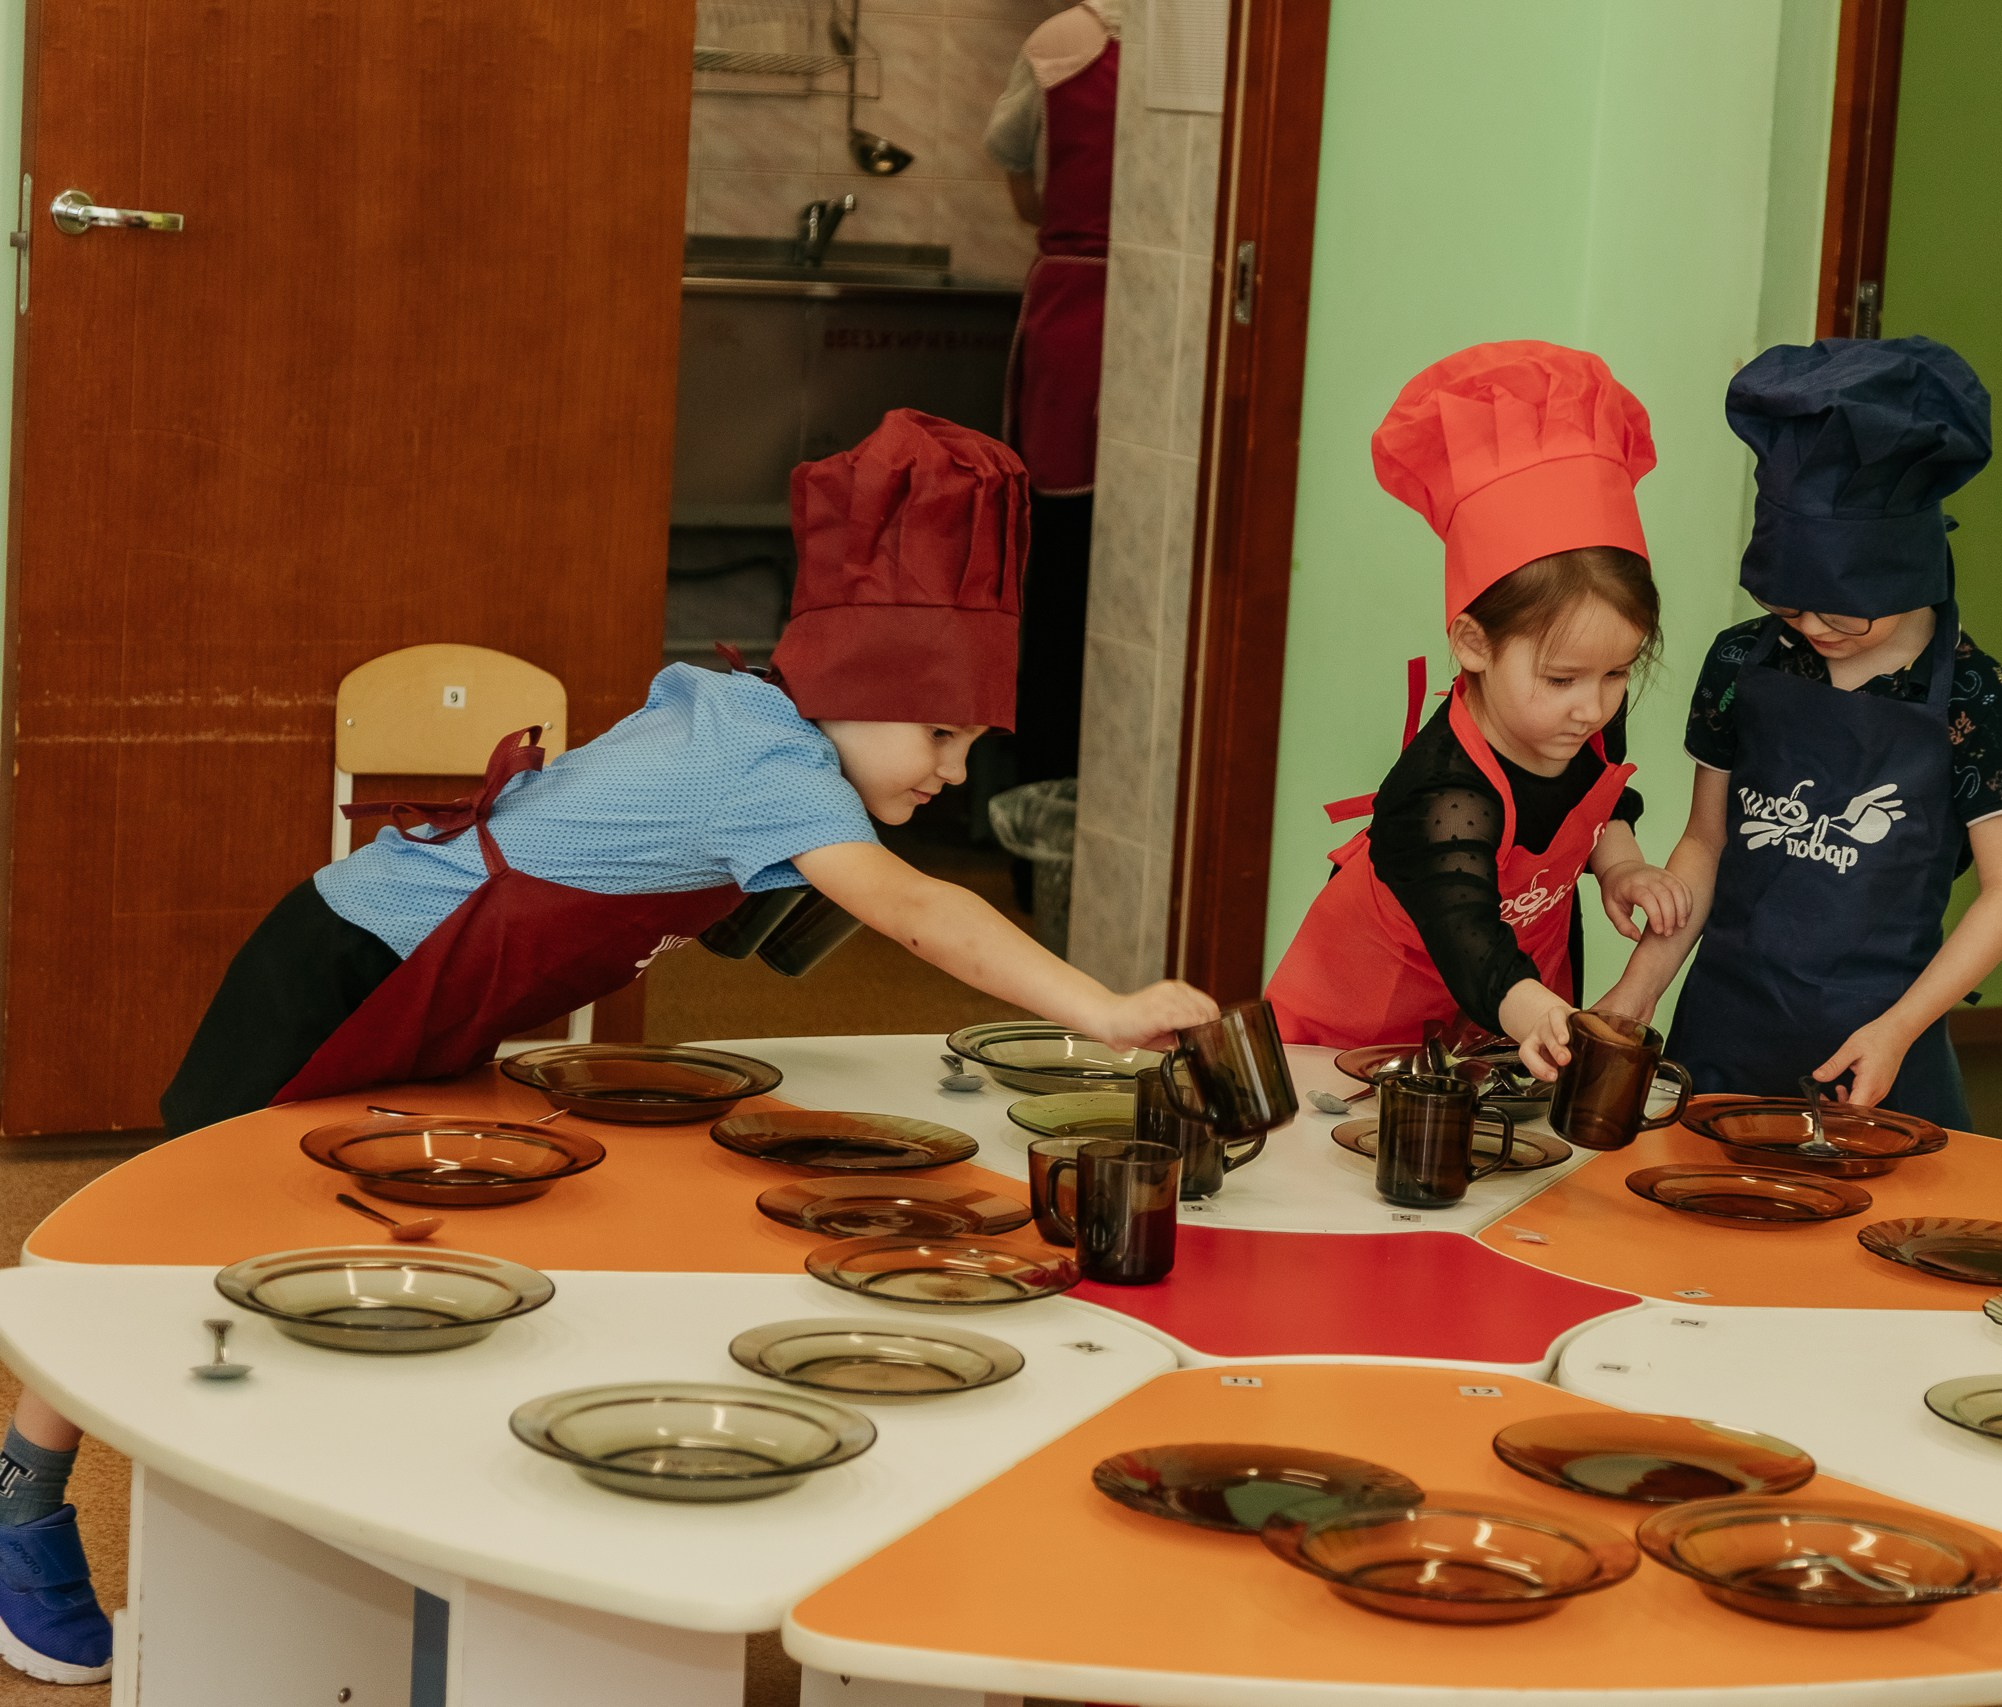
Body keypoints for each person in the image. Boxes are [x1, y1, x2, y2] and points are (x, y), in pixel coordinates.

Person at [0, 412, 1218, 1689]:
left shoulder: (750, 718)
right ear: (853, 694)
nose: (956, 778)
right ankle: (26, 1497)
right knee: (157, 1232)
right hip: (343, 966)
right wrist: (1107, 1009)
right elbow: (919, 910)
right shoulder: (772, 765)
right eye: (940, 737)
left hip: (427, 988)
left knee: (367, 1217)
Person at [1596, 337, 2002, 1129]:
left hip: (1880, 1053)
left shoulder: (1980, 697)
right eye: (1786, 606)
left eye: (1838, 608)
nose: (1811, 628)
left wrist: (1900, 1028)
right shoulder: (1743, 660)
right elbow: (1706, 843)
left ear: (1907, 567)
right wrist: (1637, 992)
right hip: (1724, 1038)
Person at [1265, 342, 1689, 1078]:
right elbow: (1469, 936)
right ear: (1473, 642)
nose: (1592, 706)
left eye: (1618, 671)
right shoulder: (1441, 794)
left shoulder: (1581, 710)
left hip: (1493, 1034)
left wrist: (1620, 866)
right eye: (1561, 678)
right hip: (1354, 1048)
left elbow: (1602, 796)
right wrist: (1545, 1019)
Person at [983, 0, 1121, 811]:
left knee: (1058, 579)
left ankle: (1037, 824)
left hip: (1073, 320)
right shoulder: (1212, 50)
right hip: (1175, 321)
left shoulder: (1054, 46)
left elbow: (1026, 193)